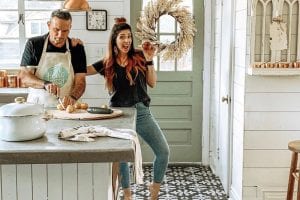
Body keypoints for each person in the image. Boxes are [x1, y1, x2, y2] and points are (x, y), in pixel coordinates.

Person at [86, 17, 170, 200]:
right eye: (122, 37)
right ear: (114, 40)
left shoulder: (140, 56)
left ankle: (154, 191)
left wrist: (149, 60)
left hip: (141, 112)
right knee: (122, 156)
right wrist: (73, 51)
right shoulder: (107, 62)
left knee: (163, 152)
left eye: (129, 37)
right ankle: (127, 195)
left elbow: (152, 83)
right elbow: (83, 71)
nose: (127, 41)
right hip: (119, 114)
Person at [18, 9, 86, 108]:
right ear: (49, 25)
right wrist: (45, 84)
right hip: (38, 106)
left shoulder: (76, 48)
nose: (60, 35)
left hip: (67, 107)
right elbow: (24, 77)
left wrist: (73, 97)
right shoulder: (34, 44)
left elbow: (81, 81)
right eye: (56, 29)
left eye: (65, 31)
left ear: (70, 28)